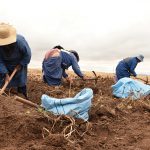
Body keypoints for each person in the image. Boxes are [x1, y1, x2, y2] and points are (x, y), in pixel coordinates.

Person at [0, 23, 31, 98]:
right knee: (3, 79)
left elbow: (27, 55)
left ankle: (23, 95)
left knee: (21, 80)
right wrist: (5, 73)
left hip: (19, 63)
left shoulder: (20, 41)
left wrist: (20, 64)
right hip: (5, 64)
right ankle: (6, 95)